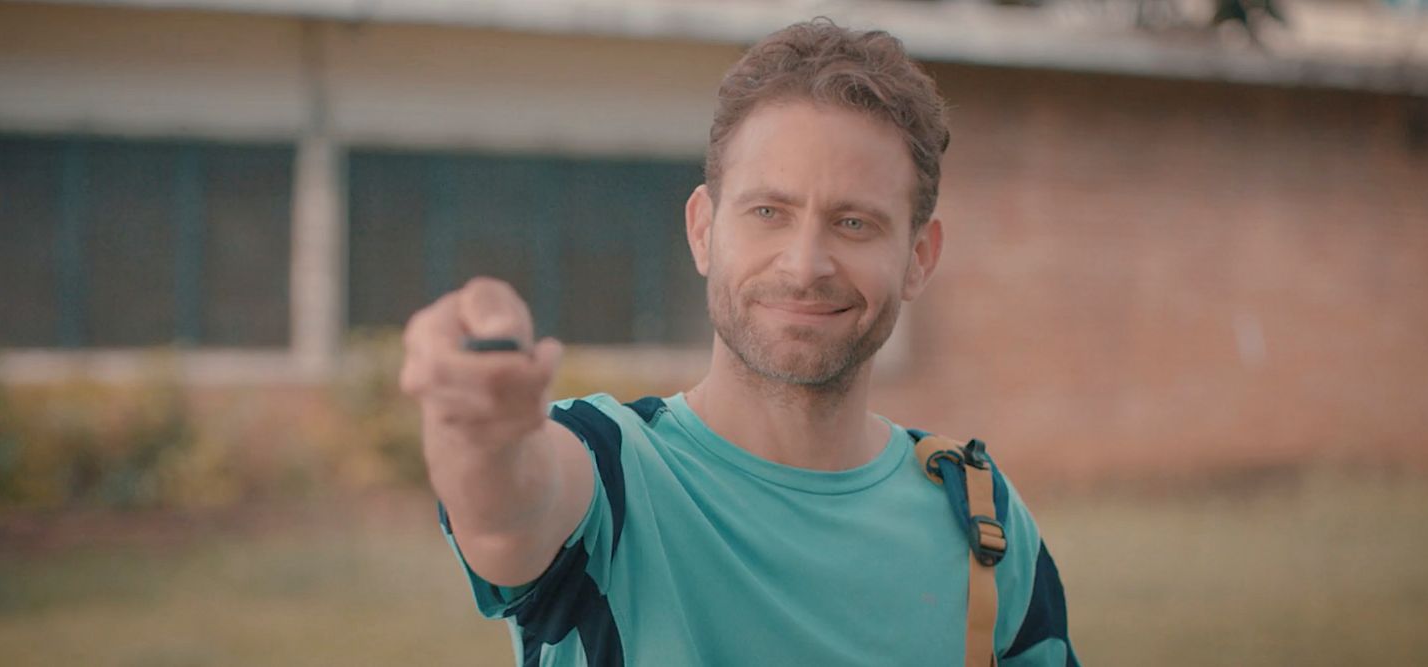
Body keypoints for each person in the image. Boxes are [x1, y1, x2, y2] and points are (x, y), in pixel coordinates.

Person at [400, 18, 1078, 667]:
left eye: (854, 222)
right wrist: (480, 432)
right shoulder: (611, 474)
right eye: (768, 213)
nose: (805, 263)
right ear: (703, 230)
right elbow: (507, 505)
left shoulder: (978, 518)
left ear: (919, 257)